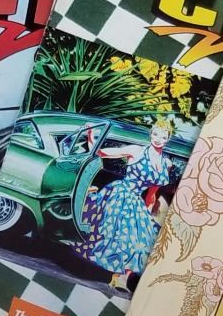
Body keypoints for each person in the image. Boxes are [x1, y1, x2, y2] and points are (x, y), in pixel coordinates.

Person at [76, 118, 177, 284]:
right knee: (112, 235)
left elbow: (152, 193)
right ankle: (108, 275)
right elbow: (101, 153)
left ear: (168, 139)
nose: (158, 139)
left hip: (137, 202)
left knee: (141, 241)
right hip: (120, 194)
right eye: (156, 134)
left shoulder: (166, 163)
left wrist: (147, 215)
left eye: (163, 137)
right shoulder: (136, 151)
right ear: (151, 134)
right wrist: (90, 136)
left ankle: (119, 278)